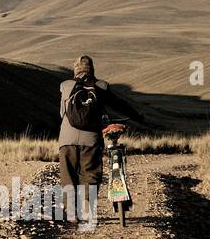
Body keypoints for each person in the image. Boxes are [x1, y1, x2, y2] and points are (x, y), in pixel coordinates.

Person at [57, 55, 144, 222]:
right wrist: (137, 116)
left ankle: (71, 213)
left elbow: (62, 113)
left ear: (75, 70)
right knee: (90, 174)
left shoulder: (66, 85)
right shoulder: (101, 86)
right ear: (92, 69)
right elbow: (119, 105)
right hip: (91, 138)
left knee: (68, 175)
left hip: (67, 139)